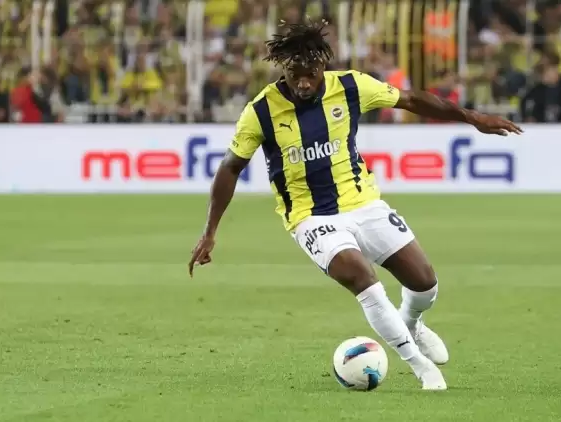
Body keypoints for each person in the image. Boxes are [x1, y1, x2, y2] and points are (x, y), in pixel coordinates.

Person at [188, 20, 522, 391]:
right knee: (363, 278)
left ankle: (411, 324)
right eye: (295, 75)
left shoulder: (351, 86)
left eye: (311, 74)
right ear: (284, 69)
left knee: (425, 283)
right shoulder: (261, 111)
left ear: (323, 67)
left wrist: (471, 118)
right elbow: (230, 168)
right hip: (310, 218)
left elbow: (411, 100)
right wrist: (209, 232)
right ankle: (420, 365)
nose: (303, 83)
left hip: (364, 203)